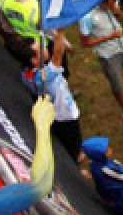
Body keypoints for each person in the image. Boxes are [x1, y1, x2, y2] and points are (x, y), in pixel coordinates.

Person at [79, 0, 123, 128]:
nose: (112, 4)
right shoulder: (87, 17)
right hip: (108, 54)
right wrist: (109, 37)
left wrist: (119, 14)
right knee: (118, 84)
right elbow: (84, 43)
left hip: (122, 45)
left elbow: (119, 18)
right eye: (110, 3)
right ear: (102, 2)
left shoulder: (110, 6)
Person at [22, 30, 81, 159]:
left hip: (53, 112)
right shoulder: (44, 76)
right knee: (72, 143)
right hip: (65, 115)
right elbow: (58, 55)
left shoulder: (26, 74)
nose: (45, 48)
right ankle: (75, 161)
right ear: (34, 60)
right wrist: (60, 32)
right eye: (41, 48)